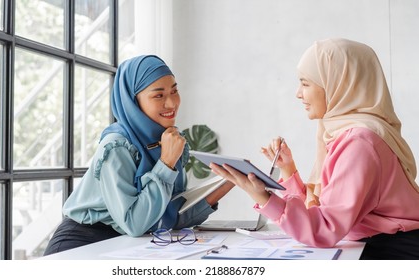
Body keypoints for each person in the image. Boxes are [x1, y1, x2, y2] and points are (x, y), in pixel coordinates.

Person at [210, 38, 419, 260]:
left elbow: (324, 228)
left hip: (393, 252)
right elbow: (322, 210)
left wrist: (263, 197)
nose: (298, 93)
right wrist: (288, 171)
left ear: (337, 84)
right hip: (374, 245)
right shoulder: (343, 131)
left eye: (306, 83)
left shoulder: (360, 142)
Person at [44, 55, 234, 255]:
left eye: (174, 91)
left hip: (126, 245)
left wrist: (226, 184)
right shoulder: (117, 146)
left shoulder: (166, 140)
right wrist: (167, 163)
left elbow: (166, 214)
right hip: (81, 245)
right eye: (158, 95)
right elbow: (135, 223)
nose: (171, 103)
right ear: (134, 101)